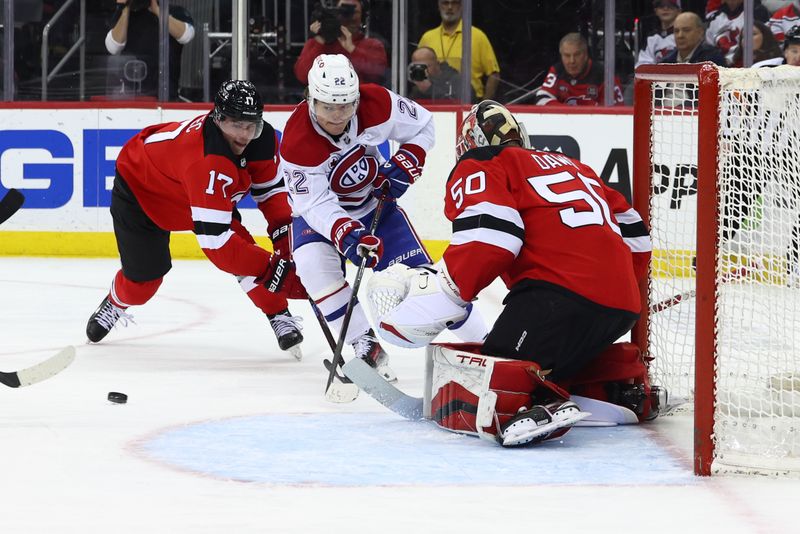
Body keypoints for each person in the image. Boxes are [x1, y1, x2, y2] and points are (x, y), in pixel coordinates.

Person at [367, 100, 655, 447]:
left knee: (492, 371)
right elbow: (636, 234)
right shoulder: (577, 166)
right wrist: (617, 283)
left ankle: (534, 404)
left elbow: (492, 237)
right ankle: (620, 389)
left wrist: (450, 291)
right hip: (621, 306)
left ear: (469, 144)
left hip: (554, 298)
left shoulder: (484, 162)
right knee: (552, 354)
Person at [278, 54, 487, 381]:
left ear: (357, 99)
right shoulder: (296, 141)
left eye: (346, 106)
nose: (337, 116)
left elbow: (424, 125)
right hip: (319, 219)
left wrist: (407, 161)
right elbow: (315, 204)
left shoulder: (376, 102)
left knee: (429, 287)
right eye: (328, 107)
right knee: (313, 268)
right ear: (311, 99)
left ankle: (489, 344)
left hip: (377, 206)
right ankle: (366, 345)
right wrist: (347, 233)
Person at [85, 80, 306, 357]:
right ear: (218, 118)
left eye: (251, 125)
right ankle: (116, 301)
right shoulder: (205, 161)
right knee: (143, 284)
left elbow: (272, 193)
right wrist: (276, 270)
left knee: (245, 252)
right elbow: (219, 248)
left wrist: (286, 243)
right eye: (237, 125)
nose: (245, 134)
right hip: (144, 191)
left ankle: (277, 313)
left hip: (191, 190)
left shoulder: (262, 139)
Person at [105, 0, 195, 99]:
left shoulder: (175, 11)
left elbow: (186, 35)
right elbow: (113, 47)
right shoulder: (124, 15)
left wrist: (157, 10)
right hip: (131, 96)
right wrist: (126, 8)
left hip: (165, 97)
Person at [417, 0, 500, 101]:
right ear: (439, 6)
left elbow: (494, 74)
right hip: (433, 102)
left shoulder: (477, 36)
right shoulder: (427, 38)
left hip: (470, 102)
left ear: (462, 6)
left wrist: (482, 106)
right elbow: (417, 72)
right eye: (445, 3)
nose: (450, 7)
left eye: (455, 3)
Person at [294, 0, 387, 86]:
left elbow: (378, 74)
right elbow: (303, 76)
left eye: (353, 12)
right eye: (342, 11)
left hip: (360, 100)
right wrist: (319, 43)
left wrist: (352, 49)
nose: (348, 17)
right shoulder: (317, 43)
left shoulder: (372, 45)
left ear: (362, 17)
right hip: (324, 101)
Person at [534, 32, 624, 106]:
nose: (572, 61)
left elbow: (616, 113)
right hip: (564, 124)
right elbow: (541, 99)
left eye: (577, 55)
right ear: (561, 56)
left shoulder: (605, 75)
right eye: (567, 55)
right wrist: (568, 113)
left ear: (585, 55)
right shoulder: (557, 71)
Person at [706, 0, 769, 66]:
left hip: (751, 64)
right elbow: (709, 47)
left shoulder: (757, 12)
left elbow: (765, 42)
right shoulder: (714, 18)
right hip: (721, 66)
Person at [407, 46, 472, 103]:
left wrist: (429, 89)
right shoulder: (415, 87)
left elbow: (458, 107)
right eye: (416, 67)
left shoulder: (457, 81)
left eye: (425, 66)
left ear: (437, 64)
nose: (422, 71)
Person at [659, 12, 726, 64]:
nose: (680, 35)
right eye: (676, 31)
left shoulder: (712, 59)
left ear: (700, 32)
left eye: (686, 30)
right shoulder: (666, 61)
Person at [636, 0, 681, 68]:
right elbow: (642, 66)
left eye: (670, 6)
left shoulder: (684, 35)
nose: (665, 9)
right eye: (661, 6)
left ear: (679, 11)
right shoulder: (651, 38)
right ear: (656, 11)